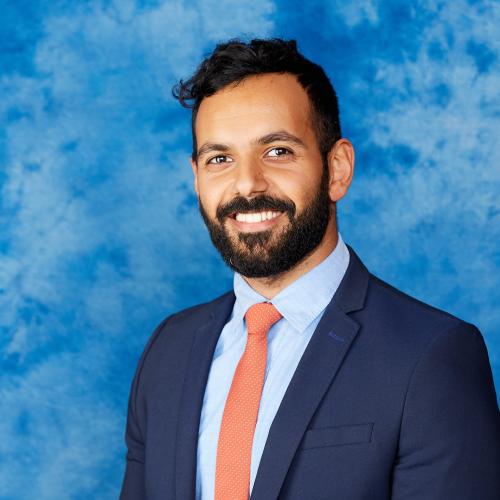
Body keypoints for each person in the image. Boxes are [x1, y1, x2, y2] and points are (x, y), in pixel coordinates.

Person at [119, 38, 500, 500]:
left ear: (337, 169)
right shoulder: (168, 349)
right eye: (220, 159)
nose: (247, 184)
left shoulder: (431, 355)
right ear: (196, 177)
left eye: (278, 151)